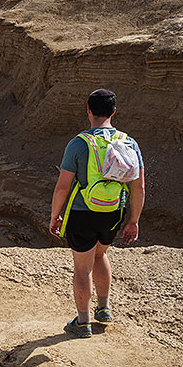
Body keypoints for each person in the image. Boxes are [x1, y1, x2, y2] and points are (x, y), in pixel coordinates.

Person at [49, 89, 145, 338]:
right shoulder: (128, 142)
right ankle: (103, 309)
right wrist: (133, 220)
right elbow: (138, 186)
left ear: (88, 111)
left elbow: (62, 187)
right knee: (100, 254)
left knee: (82, 268)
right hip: (113, 212)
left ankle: (82, 323)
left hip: (83, 213)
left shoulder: (79, 144)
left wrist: (55, 216)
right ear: (114, 112)